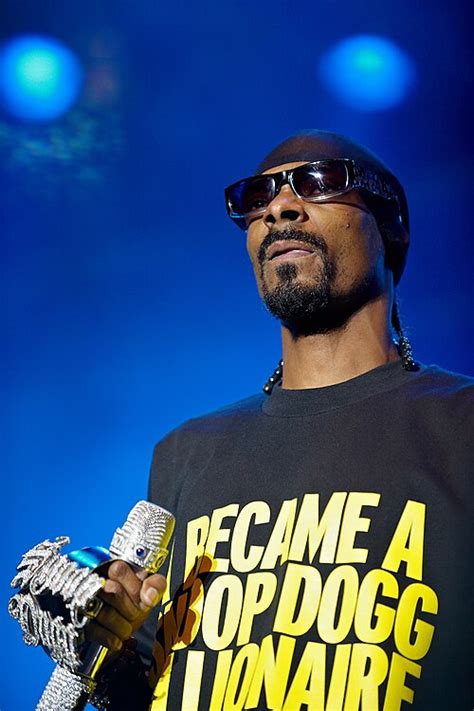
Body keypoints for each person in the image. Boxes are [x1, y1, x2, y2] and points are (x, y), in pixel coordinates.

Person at [86, 131, 473, 710]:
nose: (279, 208)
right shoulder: (186, 452)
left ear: (390, 227)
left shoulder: (461, 425)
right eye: (257, 197)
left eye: (320, 182)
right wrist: (105, 650)